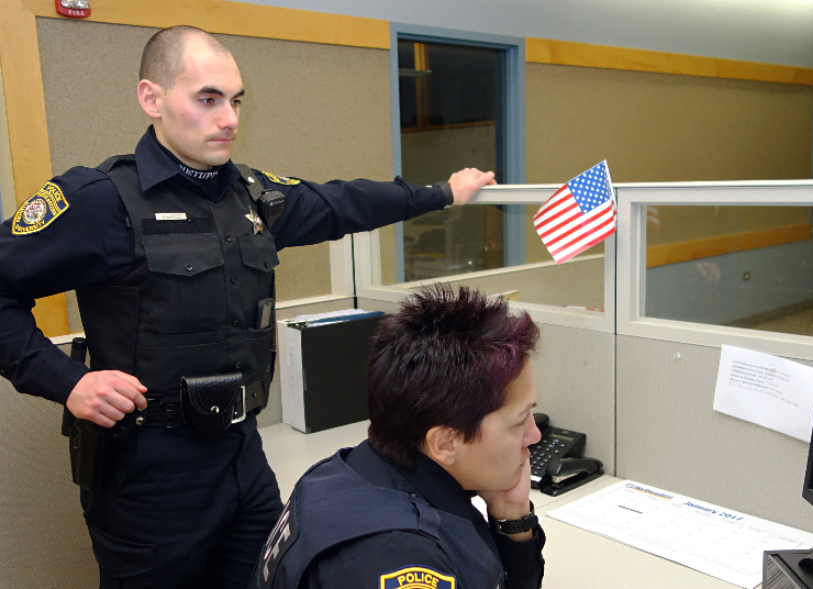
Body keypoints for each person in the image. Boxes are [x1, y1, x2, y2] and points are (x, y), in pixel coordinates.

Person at [0, 25, 495, 589]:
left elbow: (343, 202)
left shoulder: (253, 197)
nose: (230, 118)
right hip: (149, 480)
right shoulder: (99, 202)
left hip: (242, 460)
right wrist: (67, 381)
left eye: (235, 100)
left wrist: (442, 194)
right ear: (151, 98)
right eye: (207, 99)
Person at [253, 284, 545, 589]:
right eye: (520, 420)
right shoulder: (399, 559)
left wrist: (512, 516)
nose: (535, 435)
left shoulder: (348, 472)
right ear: (445, 443)